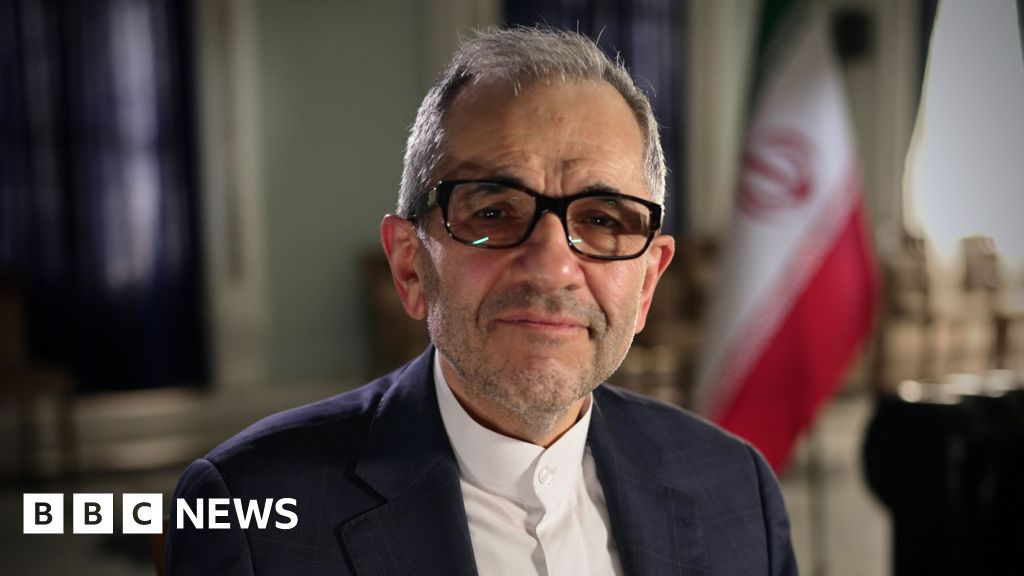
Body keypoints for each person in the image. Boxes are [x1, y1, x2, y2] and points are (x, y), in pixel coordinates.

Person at [166, 27, 798, 576]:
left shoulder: (736, 488)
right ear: (410, 266)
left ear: (648, 283)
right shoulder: (245, 510)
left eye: (604, 220)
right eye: (493, 211)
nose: (552, 266)